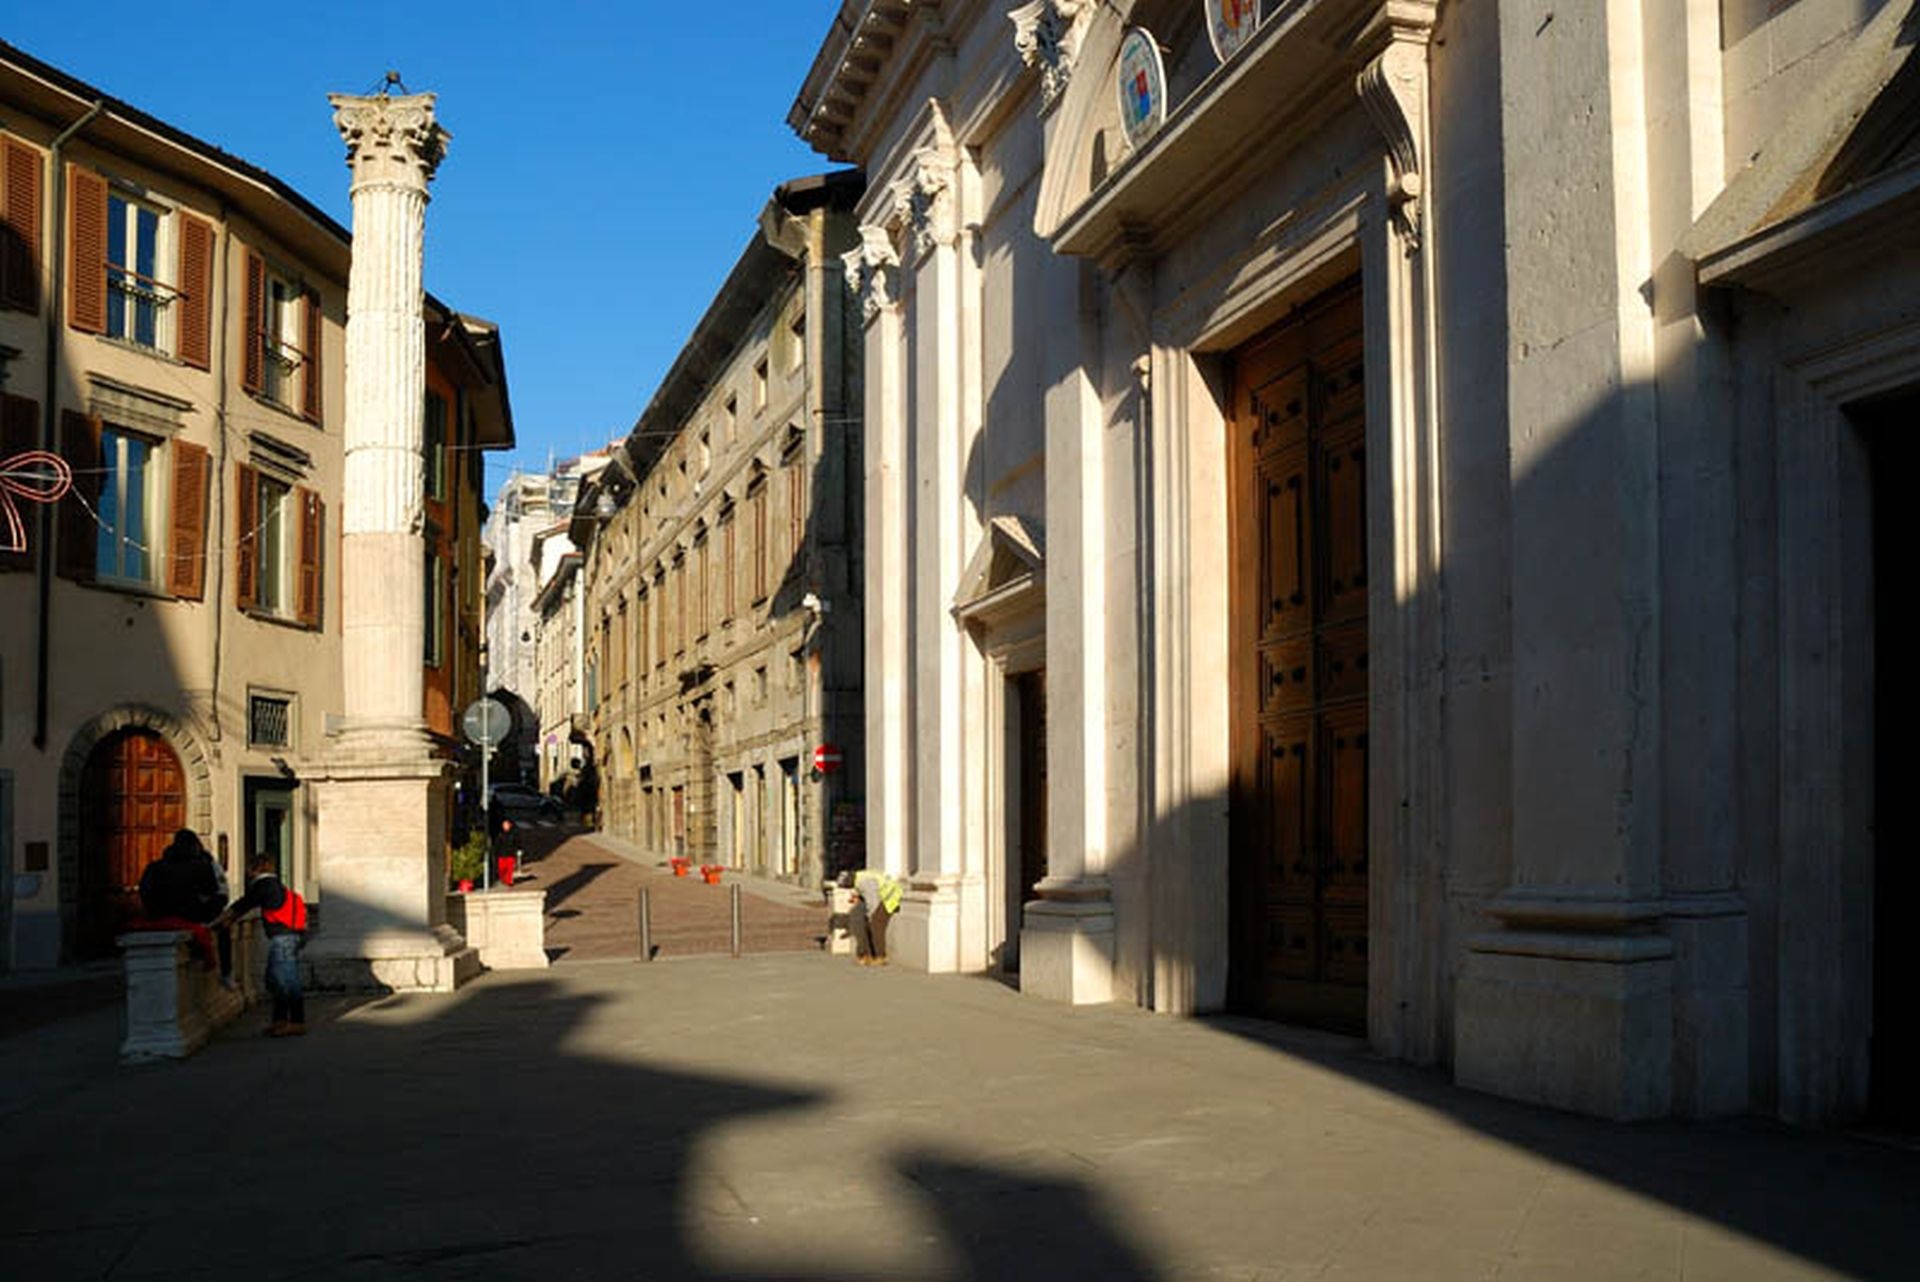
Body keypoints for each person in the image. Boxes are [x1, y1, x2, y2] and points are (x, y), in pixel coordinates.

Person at [215, 858, 308, 1037]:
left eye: (249, 870)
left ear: (255, 869)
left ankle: (297, 1022)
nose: (247, 874)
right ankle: (280, 1021)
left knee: (287, 981)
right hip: (292, 935)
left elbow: (242, 905)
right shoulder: (276, 885)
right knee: (275, 980)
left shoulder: (264, 884)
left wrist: (219, 921)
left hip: (282, 938)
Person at [136, 829, 223, 969]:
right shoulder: (201, 866)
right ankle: (225, 971)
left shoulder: (154, 867)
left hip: (159, 914)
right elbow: (212, 891)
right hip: (191, 914)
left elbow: (145, 892)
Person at [845, 868, 903, 967]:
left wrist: (870, 915)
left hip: (891, 897)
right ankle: (869, 955)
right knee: (868, 925)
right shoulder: (860, 878)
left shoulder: (864, 882)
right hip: (885, 896)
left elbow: (873, 901)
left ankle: (881, 957)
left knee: (876, 925)